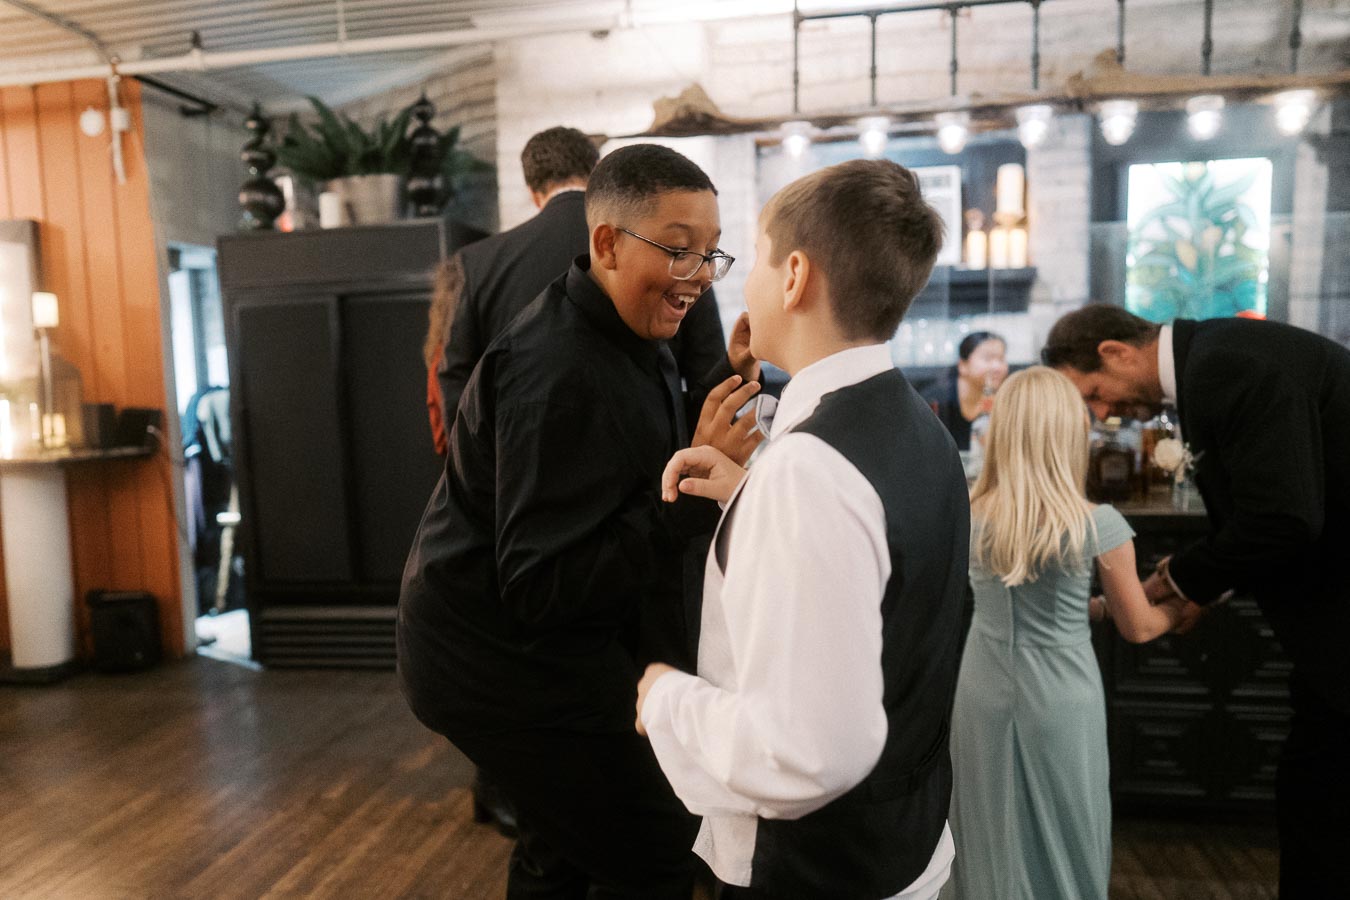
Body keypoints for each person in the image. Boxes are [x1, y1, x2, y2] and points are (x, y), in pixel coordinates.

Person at [398, 143, 759, 899]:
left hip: (538, 637)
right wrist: (689, 500)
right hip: (492, 655)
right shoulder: (557, 373)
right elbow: (543, 589)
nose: (699, 276)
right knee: (656, 847)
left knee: (561, 848)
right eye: (678, 250)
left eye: (710, 254)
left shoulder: (632, 331)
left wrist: (721, 406)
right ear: (607, 243)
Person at [636, 159, 967, 899]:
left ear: (793, 277)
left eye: (752, 257)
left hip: (823, 869)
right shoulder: (918, 425)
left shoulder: (811, 469)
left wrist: (665, 700)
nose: (740, 281)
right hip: (903, 839)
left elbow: (807, 752)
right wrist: (749, 494)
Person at [1042, 305, 1350, 899]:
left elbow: (1283, 516)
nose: (1103, 415)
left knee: (1321, 805)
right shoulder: (1217, 356)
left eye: (1095, 394)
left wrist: (1183, 579)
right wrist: (1203, 584)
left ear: (1114, 352)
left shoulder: (1224, 365)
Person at [945, 365, 1185, 900]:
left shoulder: (969, 513)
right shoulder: (1097, 525)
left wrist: (1094, 607)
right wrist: (1186, 607)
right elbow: (1140, 628)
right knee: (1066, 831)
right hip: (1060, 695)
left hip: (981, 688)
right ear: (1064, 434)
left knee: (985, 826)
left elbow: (1024, 598)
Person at [437, 125, 730, 428]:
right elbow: (706, 374)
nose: (704, 272)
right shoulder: (678, 259)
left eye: (707, 252)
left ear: (532, 191)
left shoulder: (475, 263)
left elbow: (457, 382)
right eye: (679, 250)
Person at [921, 330, 1008, 450]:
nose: (997, 367)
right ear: (963, 365)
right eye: (988, 359)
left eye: (1001, 359)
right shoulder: (937, 401)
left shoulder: (1002, 399)